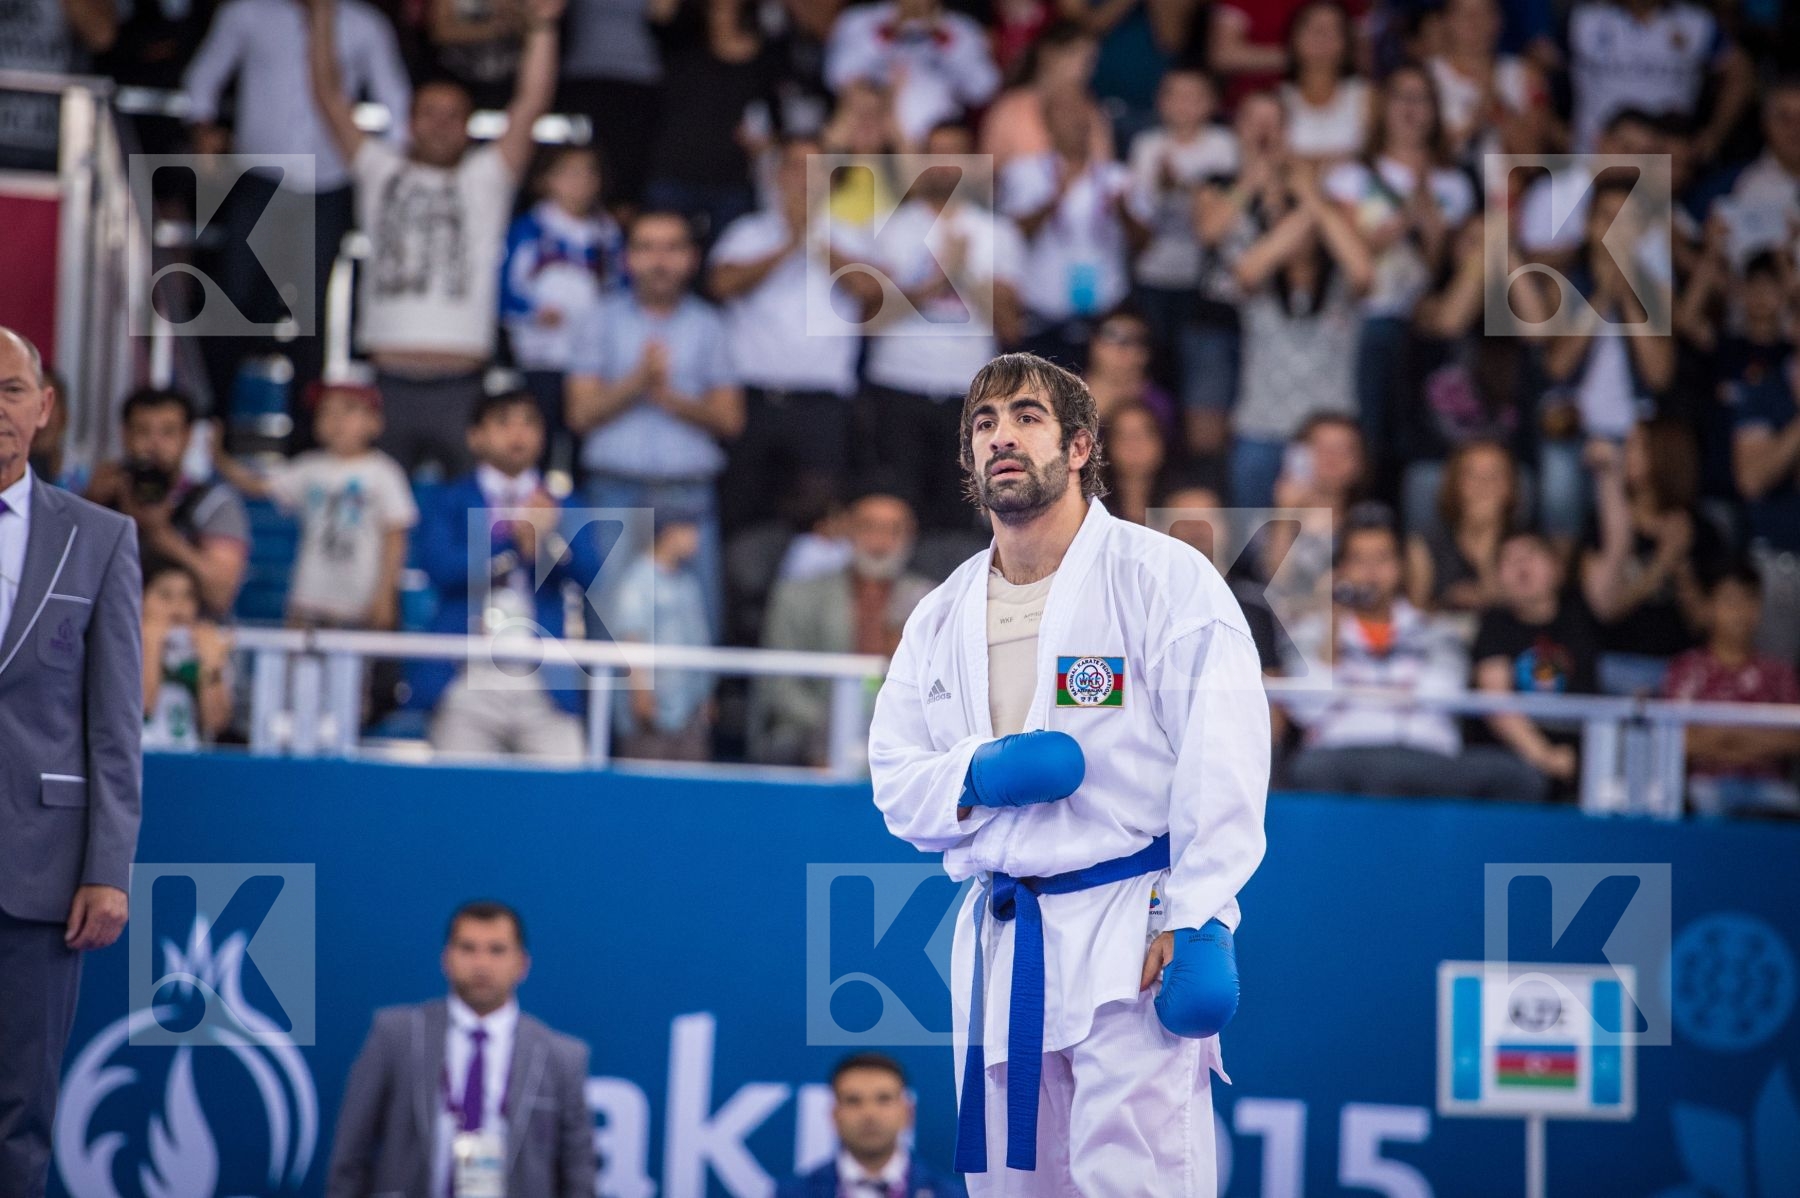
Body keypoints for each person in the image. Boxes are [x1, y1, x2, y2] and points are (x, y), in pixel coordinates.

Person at [868, 352, 1269, 1193]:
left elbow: (1224, 755)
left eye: (1027, 417)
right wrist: (978, 775)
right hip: (1004, 935)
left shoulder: (1162, 579)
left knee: (1134, 1179)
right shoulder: (939, 615)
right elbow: (895, 780)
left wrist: (1202, 914)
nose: (1001, 437)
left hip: (1131, 927)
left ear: (1080, 446)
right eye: (984, 424)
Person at [307, 0, 566, 477]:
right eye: (429, 113)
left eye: (452, 115)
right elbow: (329, 95)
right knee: (380, 514)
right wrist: (323, 14)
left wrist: (543, 25)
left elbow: (530, 102)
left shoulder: (487, 177)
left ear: (469, 127)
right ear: (409, 121)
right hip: (387, 384)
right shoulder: (379, 169)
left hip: (463, 385)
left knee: (472, 515)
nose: (440, 124)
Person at [0, 327, 141, 1198]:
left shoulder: (100, 538)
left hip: (40, 869)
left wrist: (107, 868)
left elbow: (115, 726)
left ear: (44, 407)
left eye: (10, 390)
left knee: (20, 1108)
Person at [180, 0, 411, 403]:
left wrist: (383, 169)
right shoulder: (248, 12)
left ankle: (308, 428)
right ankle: (211, 418)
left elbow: (396, 103)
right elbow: (202, 78)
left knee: (313, 313)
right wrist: (203, 130)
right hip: (258, 178)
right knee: (233, 300)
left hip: (330, 184)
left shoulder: (365, 24)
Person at [326, 901, 595, 1198]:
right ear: (446, 958)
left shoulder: (561, 1056)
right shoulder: (395, 1035)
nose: (481, 964)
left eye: (497, 950)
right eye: (468, 948)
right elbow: (350, 1153)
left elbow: (579, 1172)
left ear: (521, 964)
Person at [1283, 504, 1548, 801]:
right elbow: (1309, 710)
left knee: (1516, 778)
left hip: (1426, 759)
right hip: (1344, 757)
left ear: (1400, 567)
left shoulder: (1436, 631)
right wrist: (1332, 625)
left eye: (1382, 558)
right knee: (1307, 769)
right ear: (1341, 570)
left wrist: (1354, 692)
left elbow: (1441, 695)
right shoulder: (1311, 632)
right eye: (1358, 559)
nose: (1371, 571)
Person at [565, 210, 744, 639]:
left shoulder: (710, 324)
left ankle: (690, 693)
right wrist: (636, 383)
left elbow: (730, 419)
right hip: (614, 489)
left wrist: (670, 398)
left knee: (695, 627)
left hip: (688, 494)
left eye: (671, 248)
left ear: (692, 258)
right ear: (627, 258)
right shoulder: (600, 319)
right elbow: (578, 415)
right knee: (609, 625)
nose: (659, 260)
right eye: (646, 248)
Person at [409, 389, 605, 761]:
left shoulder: (562, 503)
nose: (518, 433)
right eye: (503, 422)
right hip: (466, 675)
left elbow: (591, 576)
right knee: (460, 790)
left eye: (529, 423)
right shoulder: (449, 499)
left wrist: (550, 538)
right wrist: (512, 543)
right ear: (475, 436)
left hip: (544, 679)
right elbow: (441, 570)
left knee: (566, 788)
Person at [857, 121, 1026, 533]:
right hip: (897, 384)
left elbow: (1011, 327)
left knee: (957, 517)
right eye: (935, 153)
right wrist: (934, 281)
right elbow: (867, 320)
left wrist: (964, 272)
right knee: (896, 510)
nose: (945, 164)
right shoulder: (888, 227)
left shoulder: (998, 233)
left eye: (956, 153)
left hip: (968, 393)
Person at [708, 134, 867, 534]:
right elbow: (721, 285)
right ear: (777, 175)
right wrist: (788, 244)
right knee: (743, 519)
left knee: (820, 522)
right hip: (753, 400)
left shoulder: (852, 233)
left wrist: (815, 240)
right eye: (795, 167)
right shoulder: (748, 231)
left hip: (822, 404)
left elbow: (871, 293)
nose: (804, 179)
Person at [214, 381, 418, 630]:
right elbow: (257, 486)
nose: (336, 419)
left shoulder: (384, 472)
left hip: (360, 604)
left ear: (375, 422)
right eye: (325, 411)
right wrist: (217, 456)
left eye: (348, 409)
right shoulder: (308, 467)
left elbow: (395, 537)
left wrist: (385, 596)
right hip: (309, 599)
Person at [753, 489, 933, 766]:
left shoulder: (932, 600)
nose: (880, 541)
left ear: (911, 536)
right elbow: (779, 682)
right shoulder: (798, 596)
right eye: (869, 527)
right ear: (848, 530)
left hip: (905, 741)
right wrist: (835, 730)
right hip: (811, 735)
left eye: (893, 530)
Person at [499, 144, 625, 486]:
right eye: (568, 172)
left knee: (587, 450)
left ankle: (583, 517)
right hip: (542, 357)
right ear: (545, 180)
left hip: (594, 362)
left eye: (588, 173)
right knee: (536, 444)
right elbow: (502, 291)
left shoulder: (607, 232)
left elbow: (621, 288)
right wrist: (533, 312)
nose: (579, 182)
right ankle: (529, 514)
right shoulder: (529, 227)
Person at [1580, 423, 1723, 696]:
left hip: (1683, 670)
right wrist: (1662, 562)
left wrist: (1682, 566)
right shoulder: (1603, 524)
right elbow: (1603, 609)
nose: (1626, 454)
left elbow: (1705, 621)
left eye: (1637, 446)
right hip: (1614, 663)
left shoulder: (1701, 530)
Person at [87, 387, 251, 619]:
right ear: (124, 434)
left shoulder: (215, 504)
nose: (154, 445)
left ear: (188, 436)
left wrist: (160, 533)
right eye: (143, 431)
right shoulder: (99, 496)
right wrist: (90, 505)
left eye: (168, 432)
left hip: (186, 637)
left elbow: (220, 594)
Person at [1469, 529, 1601, 800]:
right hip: (1518, 753)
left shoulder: (1583, 614)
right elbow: (1497, 703)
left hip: (1587, 747)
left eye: (1530, 555)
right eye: (1508, 560)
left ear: (1557, 568)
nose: (1521, 566)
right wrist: (1546, 757)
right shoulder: (1494, 625)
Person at [1662, 563, 1800, 816]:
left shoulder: (1779, 673)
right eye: (1730, 601)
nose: (1740, 612)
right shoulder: (1687, 669)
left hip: (1770, 789)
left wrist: (1726, 738)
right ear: (1709, 606)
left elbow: (1793, 738)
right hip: (1703, 788)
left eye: (1749, 600)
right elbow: (1677, 740)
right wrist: (1758, 738)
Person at [605, 509, 716, 763]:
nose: (696, 538)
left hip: (689, 714)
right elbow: (631, 638)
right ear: (668, 532)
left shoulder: (688, 582)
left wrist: (705, 695)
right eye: (689, 530)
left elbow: (698, 642)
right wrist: (641, 693)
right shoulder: (637, 581)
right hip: (651, 715)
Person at [775, 1053, 968, 1198]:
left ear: (907, 1112)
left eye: (884, 1099)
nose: (869, 1114)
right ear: (834, 1115)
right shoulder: (792, 1194)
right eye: (853, 1100)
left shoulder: (950, 1194)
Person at [823, 0, 1000, 144]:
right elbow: (836, 76)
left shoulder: (961, 27)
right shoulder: (858, 19)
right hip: (878, 144)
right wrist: (890, 31)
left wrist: (941, 36)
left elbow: (984, 89)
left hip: (939, 148)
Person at [141, 560, 234, 751]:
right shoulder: (122, 647)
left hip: (189, 758)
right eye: (165, 595)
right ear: (141, 599)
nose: (178, 606)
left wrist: (211, 663)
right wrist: (151, 648)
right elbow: (141, 710)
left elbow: (216, 723)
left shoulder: (205, 648)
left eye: (188, 596)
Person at [1278, 0, 1369, 163]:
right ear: (1294, 37)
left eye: (1332, 29)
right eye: (1314, 28)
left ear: (1346, 41)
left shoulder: (1367, 96)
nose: (1322, 37)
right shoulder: (1277, 98)